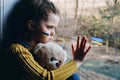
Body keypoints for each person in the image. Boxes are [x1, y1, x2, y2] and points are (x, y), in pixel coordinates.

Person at [0, 0, 91, 80]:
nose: (53, 33)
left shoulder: (40, 51)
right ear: (31, 25)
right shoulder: (17, 50)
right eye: (50, 27)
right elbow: (45, 78)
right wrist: (76, 61)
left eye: (54, 28)